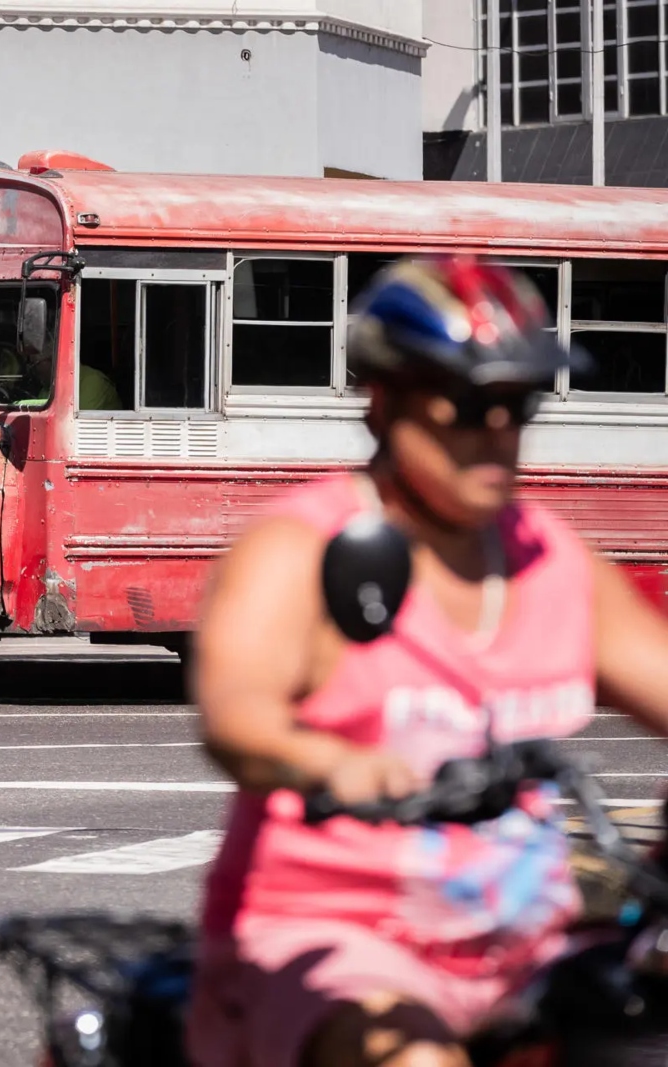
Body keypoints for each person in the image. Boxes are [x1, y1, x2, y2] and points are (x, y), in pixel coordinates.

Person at [187, 255, 668, 1067]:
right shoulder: (305, 548)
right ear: (385, 400)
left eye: (517, 405)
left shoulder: (553, 560)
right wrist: (333, 763)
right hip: (338, 939)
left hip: (527, 946)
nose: (497, 433)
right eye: (468, 403)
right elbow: (237, 717)